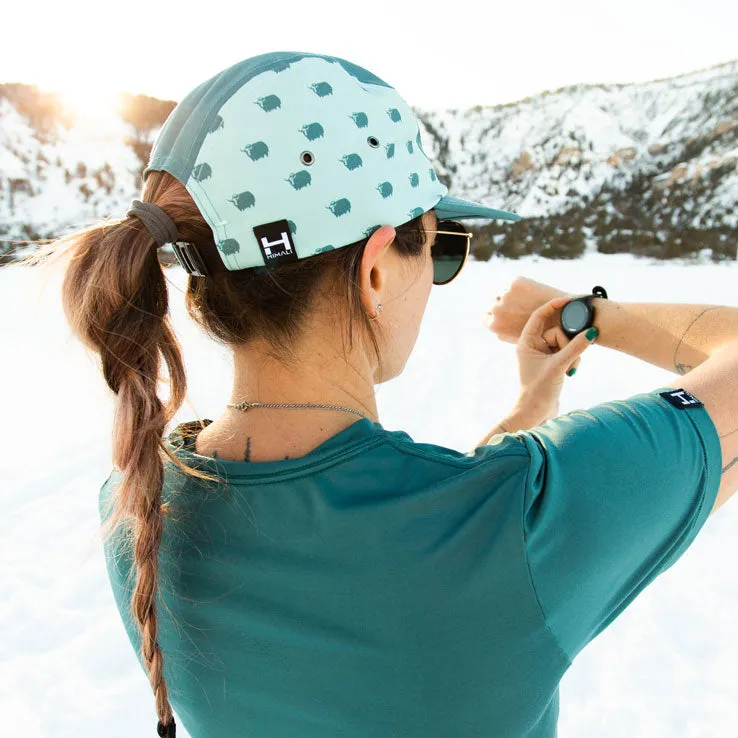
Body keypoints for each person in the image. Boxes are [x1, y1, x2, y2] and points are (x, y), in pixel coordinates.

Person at [28, 51, 737, 738]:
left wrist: (530, 408)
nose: (436, 274)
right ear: (374, 272)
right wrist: (597, 314)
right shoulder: (510, 524)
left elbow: (420, 542)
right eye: (440, 246)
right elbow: (462, 537)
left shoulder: (136, 510)